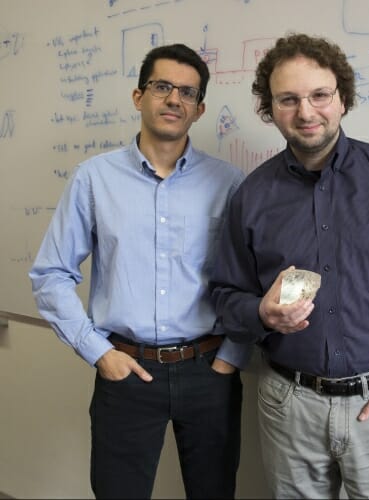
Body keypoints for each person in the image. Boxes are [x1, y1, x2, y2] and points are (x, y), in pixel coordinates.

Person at [210, 33, 369, 499]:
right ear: (270, 109)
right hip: (287, 406)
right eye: (288, 99)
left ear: (342, 99)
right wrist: (259, 315)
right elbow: (225, 295)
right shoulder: (251, 196)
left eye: (319, 95)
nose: (306, 112)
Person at [29, 43, 250, 499]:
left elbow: (252, 278)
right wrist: (98, 352)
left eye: (187, 92)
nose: (174, 99)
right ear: (138, 96)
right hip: (126, 371)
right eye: (162, 86)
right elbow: (50, 273)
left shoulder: (229, 183)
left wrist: (234, 353)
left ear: (199, 108)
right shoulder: (94, 178)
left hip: (210, 371)